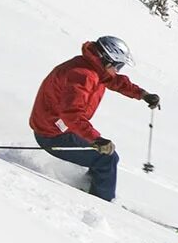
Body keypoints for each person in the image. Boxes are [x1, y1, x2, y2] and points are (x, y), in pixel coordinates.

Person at [28, 35, 159, 201]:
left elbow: (116, 82)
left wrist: (142, 94)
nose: (118, 70)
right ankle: (101, 203)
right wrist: (96, 139)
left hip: (59, 127)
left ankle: (92, 186)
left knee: (105, 156)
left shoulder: (92, 67)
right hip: (52, 135)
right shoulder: (83, 75)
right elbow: (71, 114)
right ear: (107, 61)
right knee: (107, 159)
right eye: (118, 65)